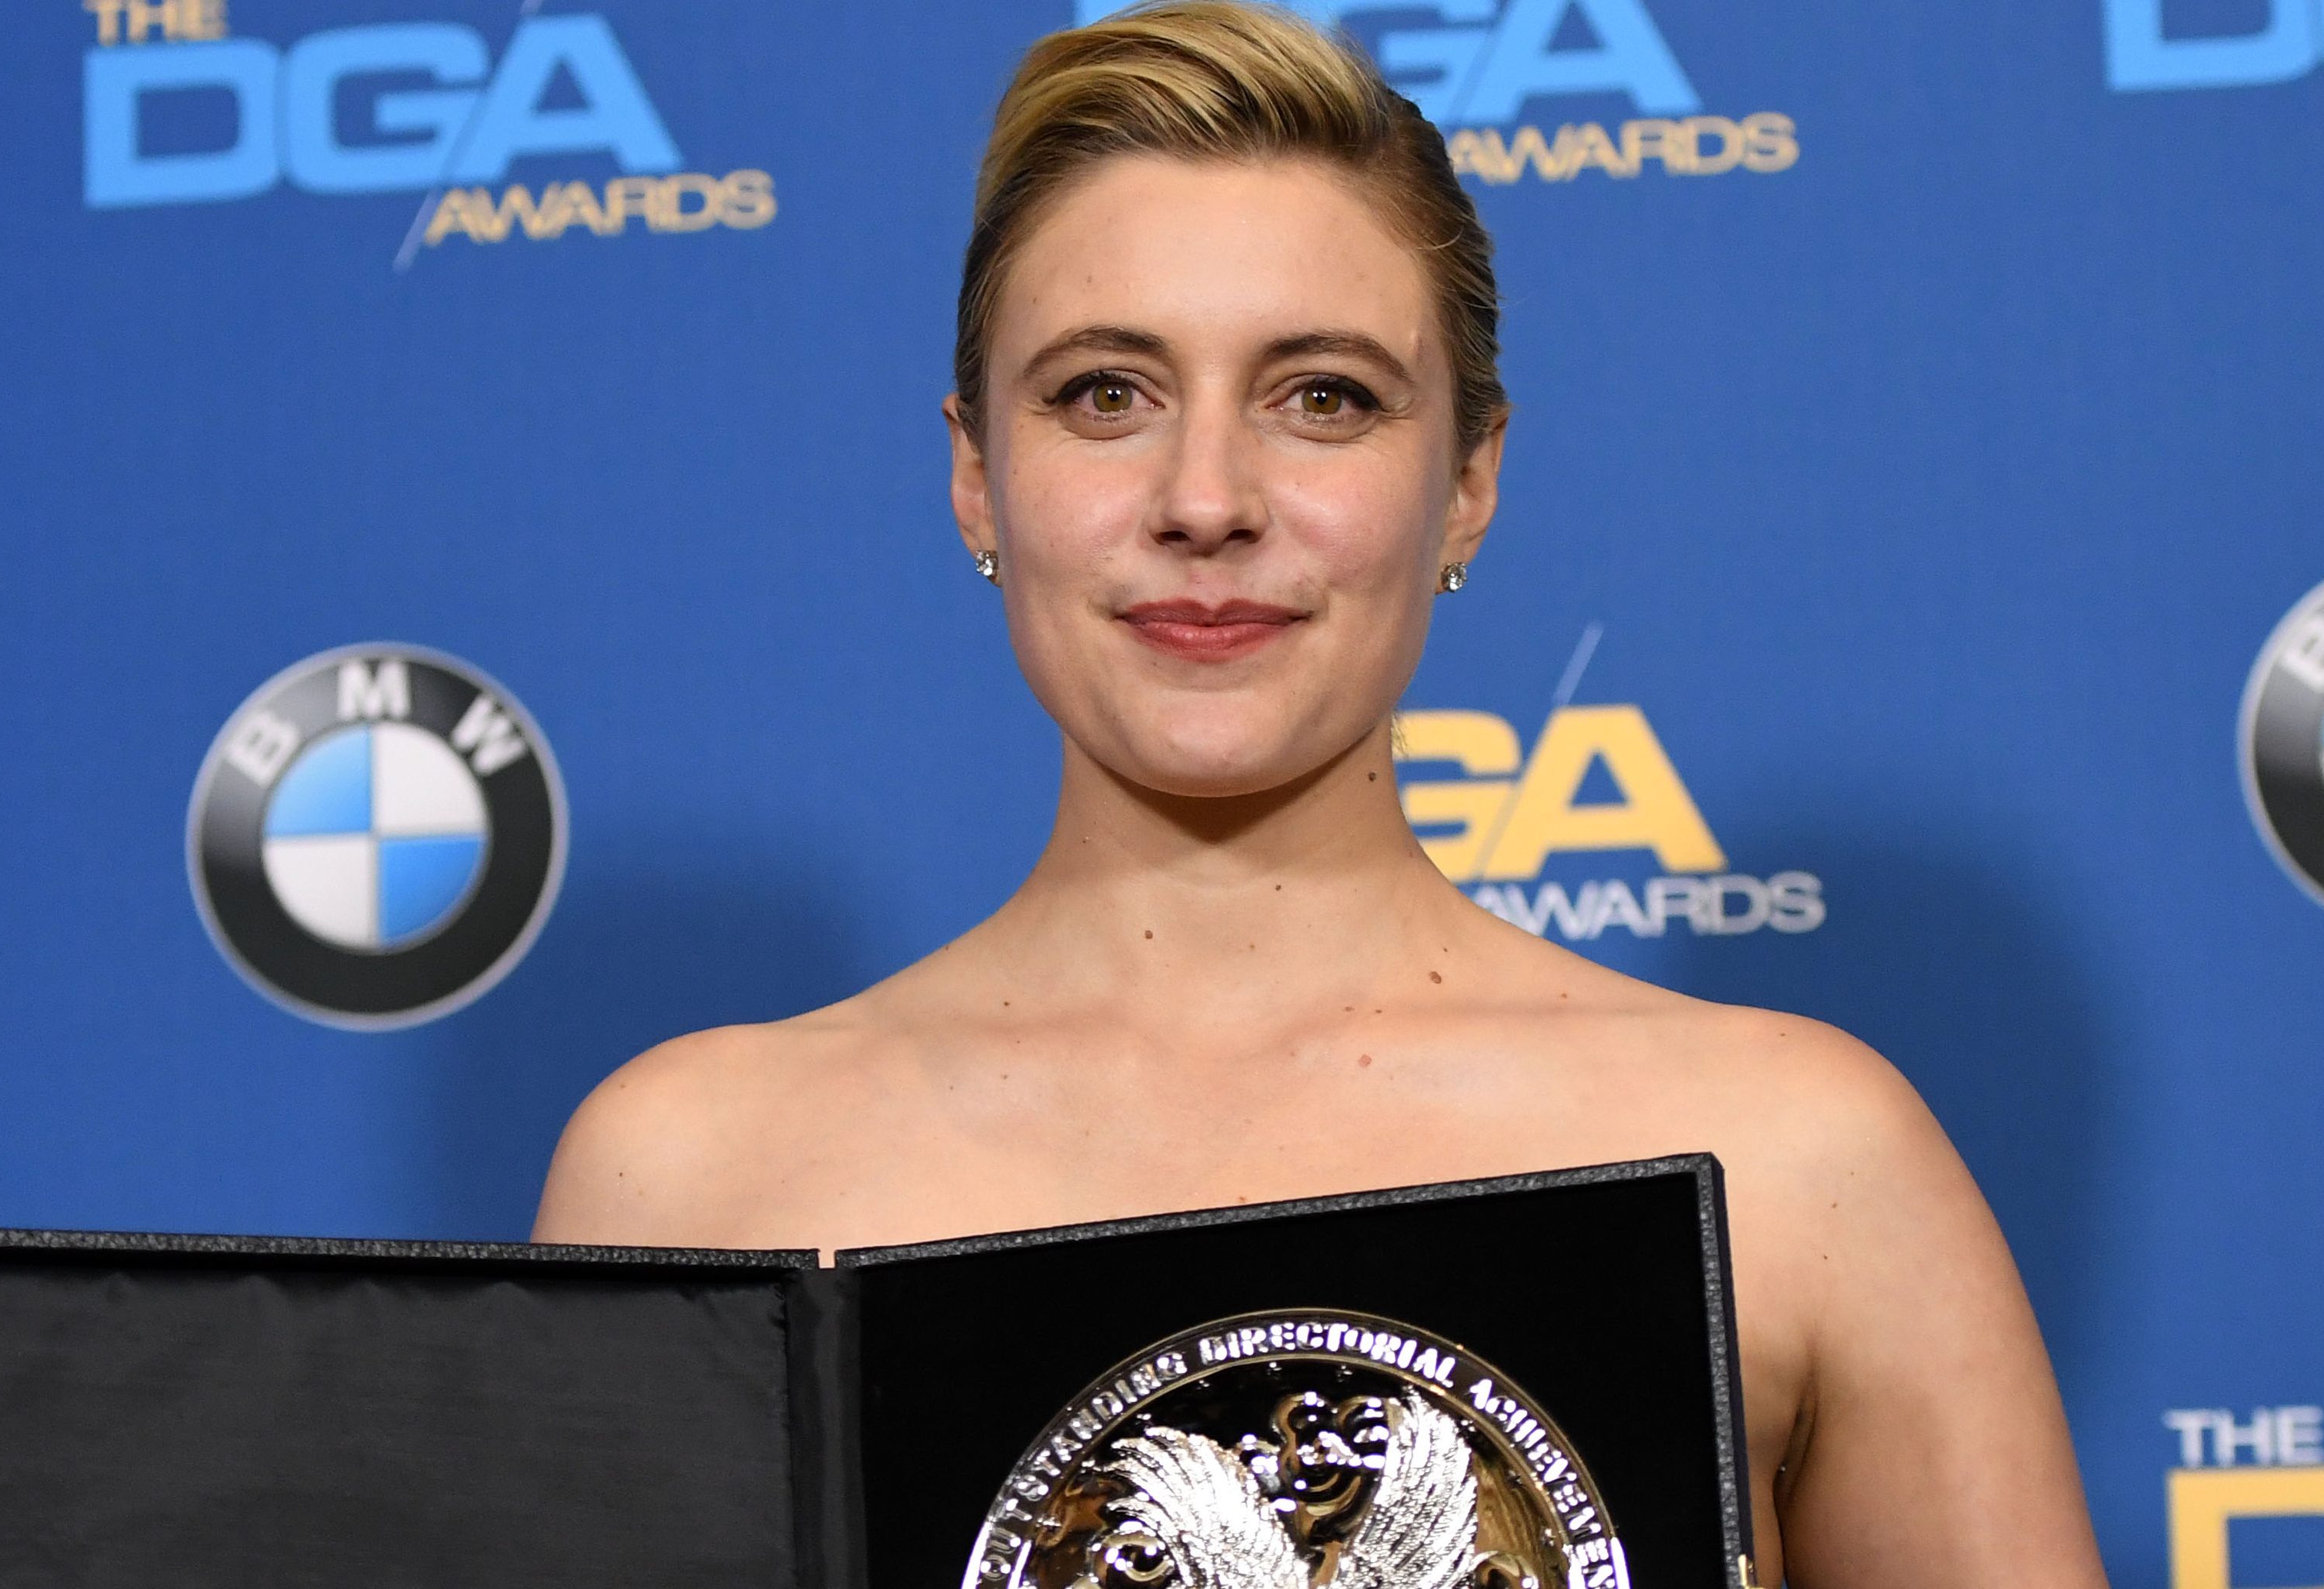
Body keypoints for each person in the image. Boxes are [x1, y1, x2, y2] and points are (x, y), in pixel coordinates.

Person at [533, 5, 2105, 1584]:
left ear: (1469, 481)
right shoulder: (691, 1176)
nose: (1205, 500)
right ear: (973, 474)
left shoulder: (1801, 1156)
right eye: (1102, 393)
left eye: (1323, 397)